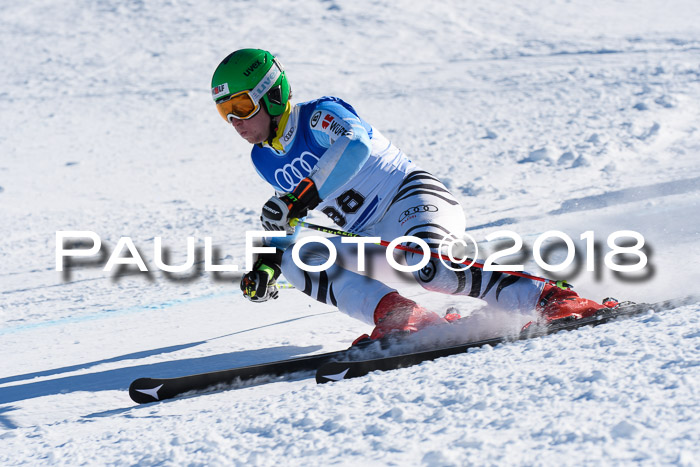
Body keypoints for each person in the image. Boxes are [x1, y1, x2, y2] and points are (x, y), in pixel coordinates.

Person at [210, 48, 615, 343]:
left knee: (429, 265)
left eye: (242, 104)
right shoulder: (263, 160)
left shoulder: (318, 115)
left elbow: (354, 147)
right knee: (297, 262)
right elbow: (288, 220)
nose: (234, 120)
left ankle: (554, 296)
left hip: (412, 200)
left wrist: (301, 197)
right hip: (374, 240)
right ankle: (403, 317)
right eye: (224, 110)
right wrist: (266, 266)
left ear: (272, 93)